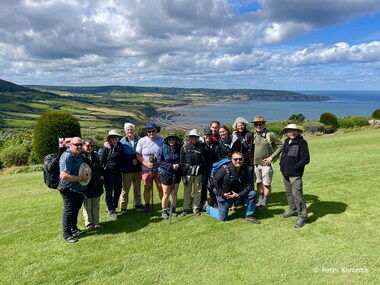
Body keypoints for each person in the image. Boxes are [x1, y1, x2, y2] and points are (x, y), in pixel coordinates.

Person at [205, 151, 260, 224]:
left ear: (243, 159)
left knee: (252, 194)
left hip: (237, 194)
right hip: (225, 196)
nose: (238, 161)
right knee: (223, 218)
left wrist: (238, 195)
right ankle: (207, 208)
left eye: (240, 159)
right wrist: (222, 193)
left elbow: (249, 185)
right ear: (232, 159)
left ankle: (249, 215)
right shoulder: (224, 169)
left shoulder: (244, 169)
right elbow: (214, 181)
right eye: (235, 159)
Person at [58, 137, 89, 243]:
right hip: (68, 188)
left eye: (81, 144)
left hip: (78, 188)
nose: (79, 146)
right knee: (69, 211)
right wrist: (81, 179)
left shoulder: (78, 155)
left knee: (76, 209)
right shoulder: (67, 156)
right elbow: (64, 175)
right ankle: (67, 234)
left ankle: (74, 228)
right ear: (70, 145)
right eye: (77, 145)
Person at [279, 124, 310, 228]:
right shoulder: (287, 141)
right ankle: (292, 210)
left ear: (298, 132)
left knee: (297, 194)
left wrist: (294, 168)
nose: (291, 133)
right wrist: (281, 166)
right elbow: (284, 155)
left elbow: (305, 159)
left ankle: (302, 216)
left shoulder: (302, 142)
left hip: (295, 174)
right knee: (289, 193)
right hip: (285, 173)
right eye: (290, 131)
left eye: (294, 131)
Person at [252, 115, 283, 210]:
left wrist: (271, 157)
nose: (258, 126)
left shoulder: (270, 135)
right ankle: (260, 200)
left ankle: (264, 202)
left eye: (260, 124)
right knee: (258, 182)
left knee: (266, 183)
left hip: (266, 165)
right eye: (256, 124)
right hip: (255, 164)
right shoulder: (253, 134)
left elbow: (281, 145)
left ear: (264, 124)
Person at [136, 122, 164, 214]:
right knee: (147, 187)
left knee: (160, 187)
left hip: (159, 168)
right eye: (149, 131)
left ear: (156, 131)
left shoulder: (162, 140)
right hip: (146, 169)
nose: (151, 133)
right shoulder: (142, 141)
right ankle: (147, 205)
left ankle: (163, 206)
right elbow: (138, 154)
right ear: (146, 132)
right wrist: (146, 163)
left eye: (153, 131)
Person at [180, 129, 206, 216]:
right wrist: (183, 175)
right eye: (192, 136)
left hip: (199, 172)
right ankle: (185, 208)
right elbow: (182, 161)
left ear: (198, 137)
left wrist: (204, 172)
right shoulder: (184, 147)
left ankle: (196, 208)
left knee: (198, 191)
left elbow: (203, 160)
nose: (194, 138)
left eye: (195, 137)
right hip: (188, 172)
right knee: (187, 191)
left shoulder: (201, 146)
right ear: (189, 137)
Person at [120, 123, 144, 214]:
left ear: (134, 130)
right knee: (125, 189)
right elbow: (121, 155)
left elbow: (143, 152)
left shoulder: (140, 140)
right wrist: (131, 159)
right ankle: (123, 207)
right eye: (127, 129)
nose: (129, 131)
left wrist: (137, 160)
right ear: (125, 131)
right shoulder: (122, 141)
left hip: (138, 168)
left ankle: (138, 203)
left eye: (131, 129)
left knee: (137, 187)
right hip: (126, 169)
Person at [100, 130, 124, 219]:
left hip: (118, 172)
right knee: (109, 192)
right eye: (113, 137)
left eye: (116, 137)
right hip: (108, 173)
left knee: (118, 191)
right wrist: (101, 174)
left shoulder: (120, 146)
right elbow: (101, 161)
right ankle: (111, 210)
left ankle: (112, 205)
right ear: (109, 138)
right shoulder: (106, 148)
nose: (115, 139)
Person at [157, 133, 182, 219]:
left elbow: (182, 159)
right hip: (166, 174)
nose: (171, 141)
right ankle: (164, 210)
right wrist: (171, 166)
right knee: (166, 193)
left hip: (176, 173)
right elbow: (159, 162)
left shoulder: (179, 149)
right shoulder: (162, 149)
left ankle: (173, 208)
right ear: (167, 140)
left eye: (173, 139)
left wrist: (179, 164)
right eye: (169, 139)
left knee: (174, 192)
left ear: (176, 140)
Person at [81, 137, 103, 231]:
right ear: (83, 146)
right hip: (86, 184)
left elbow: (101, 167)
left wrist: (102, 175)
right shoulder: (80, 157)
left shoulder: (96, 156)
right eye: (88, 145)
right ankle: (89, 223)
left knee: (96, 205)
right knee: (87, 205)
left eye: (91, 145)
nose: (90, 147)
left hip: (97, 184)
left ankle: (96, 222)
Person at [201, 128, 218, 208]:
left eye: (210, 135)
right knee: (203, 186)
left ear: (212, 135)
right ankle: (203, 202)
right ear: (204, 136)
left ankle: (214, 201)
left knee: (213, 185)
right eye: (207, 135)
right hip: (203, 169)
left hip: (213, 168)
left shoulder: (216, 144)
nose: (208, 136)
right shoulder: (201, 145)